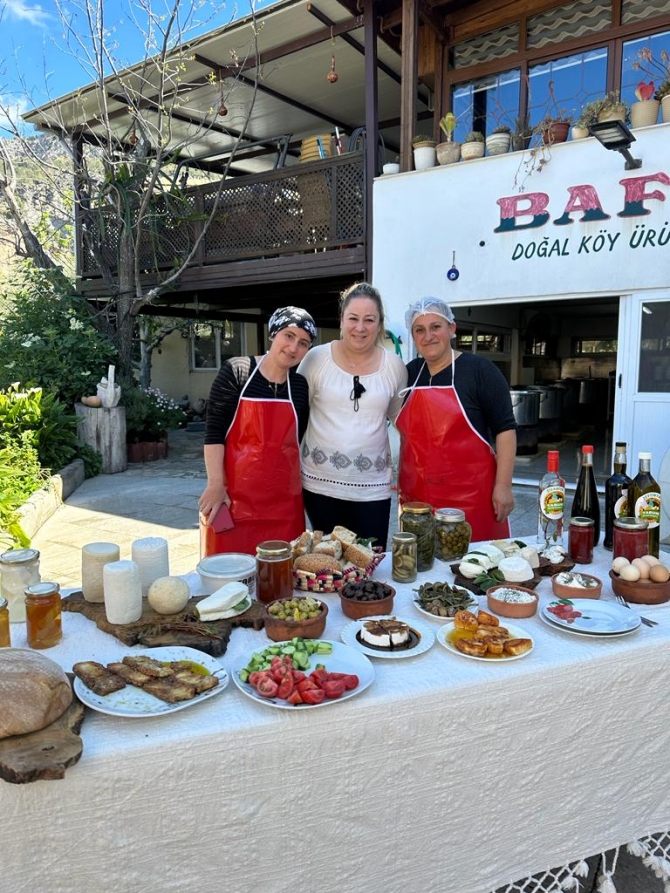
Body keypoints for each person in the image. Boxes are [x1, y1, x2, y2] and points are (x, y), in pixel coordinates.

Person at [198, 306, 317, 557]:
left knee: (281, 574)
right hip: (233, 502)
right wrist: (215, 485)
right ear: (273, 333)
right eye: (288, 335)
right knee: (229, 573)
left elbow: (296, 441)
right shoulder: (237, 371)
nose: (293, 348)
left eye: (303, 343)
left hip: (284, 508)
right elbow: (214, 433)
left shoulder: (299, 386)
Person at [396, 297, 516, 542]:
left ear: (451, 328)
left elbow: (505, 429)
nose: (428, 336)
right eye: (420, 330)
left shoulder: (480, 370)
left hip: (473, 498)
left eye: (435, 327)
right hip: (417, 499)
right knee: (421, 559)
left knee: (475, 560)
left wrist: (503, 486)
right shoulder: (409, 373)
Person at [298, 282, 407, 549]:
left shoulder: (394, 366)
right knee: (328, 562)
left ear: (379, 324)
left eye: (369, 320)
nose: (360, 327)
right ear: (342, 320)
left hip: (373, 488)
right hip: (320, 485)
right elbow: (294, 416)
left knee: (371, 559)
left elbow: (403, 421)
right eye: (353, 318)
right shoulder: (315, 359)